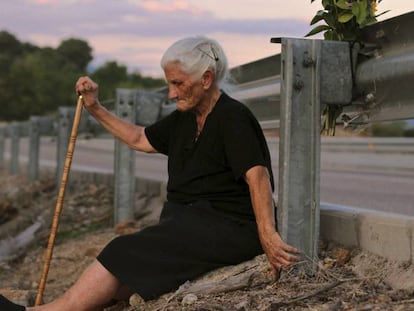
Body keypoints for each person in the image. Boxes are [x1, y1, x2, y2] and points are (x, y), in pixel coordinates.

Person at [0, 35, 300, 311]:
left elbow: (256, 176)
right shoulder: (184, 117)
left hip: (228, 227)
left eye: (177, 83)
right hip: (190, 223)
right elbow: (139, 138)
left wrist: (267, 235)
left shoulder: (233, 117)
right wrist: (95, 108)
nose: (170, 93)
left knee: (123, 249)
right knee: (127, 271)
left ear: (206, 79)